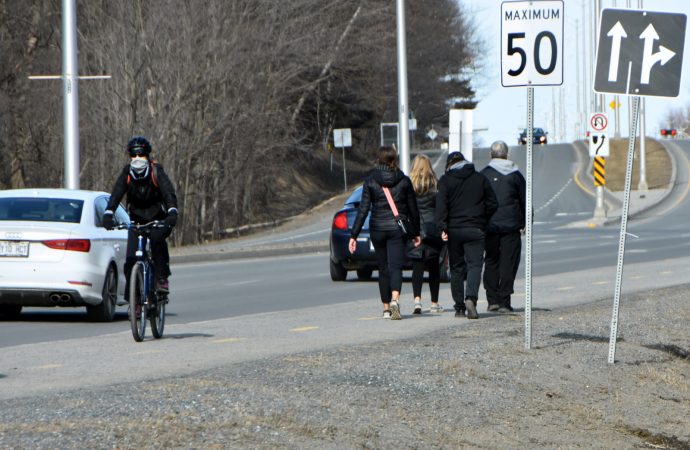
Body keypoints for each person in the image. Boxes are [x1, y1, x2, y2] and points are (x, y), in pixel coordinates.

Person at [349, 146, 421, 320]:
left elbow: (363, 210)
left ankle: (386, 308)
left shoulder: (371, 180)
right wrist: (415, 232)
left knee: (383, 268)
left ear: (378, 159)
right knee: (396, 266)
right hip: (397, 229)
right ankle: (395, 299)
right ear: (394, 159)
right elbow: (413, 209)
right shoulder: (403, 180)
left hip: (377, 229)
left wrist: (354, 235)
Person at [102, 136, 179, 298]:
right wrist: (109, 213)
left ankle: (161, 278)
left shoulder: (156, 171)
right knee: (131, 259)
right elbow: (116, 194)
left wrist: (172, 211)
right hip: (136, 221)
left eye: (140, 155)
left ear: (147, 156)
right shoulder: (127, 173)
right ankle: (134, 299)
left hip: (157, 219)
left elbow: (168, 193)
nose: (137, 159)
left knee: (158, 241)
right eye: (134, 156)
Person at [435, 151, 497, 319]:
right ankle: (471, 298)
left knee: (456, 268)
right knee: (475, 266)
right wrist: (483, 220)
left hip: (454, 230)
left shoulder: (445, 181)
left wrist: (442, 228)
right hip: (476, 228)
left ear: (449, 165)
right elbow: (493, 203)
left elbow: (441, 207)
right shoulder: (480, 178)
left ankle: (459, 308)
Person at [480, 141, 526, 314]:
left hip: (489, 226)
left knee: (491, 261)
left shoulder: (483, 175)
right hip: (511, 225)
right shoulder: (515, 175)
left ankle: (492, 299)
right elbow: (524, 199)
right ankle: (504, 301)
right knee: (509, 263)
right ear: (507, 155)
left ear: (491, 155)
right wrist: (526, 222)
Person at [408, 154, 444, 314]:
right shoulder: (434, 186)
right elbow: (439, 210)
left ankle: (417, 301)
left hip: (416, 230)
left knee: (417, 267)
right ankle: (434, 303)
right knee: (434, 267)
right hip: (432, 230)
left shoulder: (409, 187)